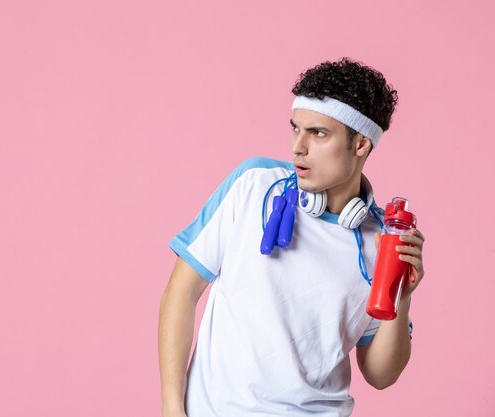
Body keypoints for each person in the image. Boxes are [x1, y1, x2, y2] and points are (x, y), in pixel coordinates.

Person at [158, 58, 426, 417]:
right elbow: (181, 292)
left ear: (360, 144)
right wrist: (173, 410)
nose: (298, 146)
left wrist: (401, 297)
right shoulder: (253, 185)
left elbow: (380, 375)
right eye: (295, 129)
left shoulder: (381, 243)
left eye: (318, 133)